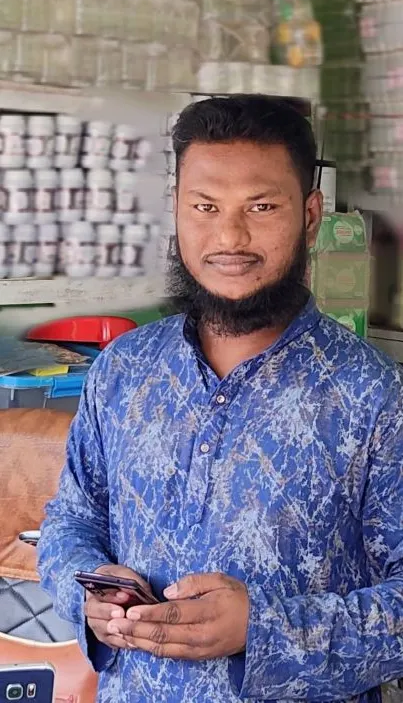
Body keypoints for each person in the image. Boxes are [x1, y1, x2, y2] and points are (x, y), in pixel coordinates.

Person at [38, 95, 403, 703]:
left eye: (261, 206)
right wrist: (93, 591)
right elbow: (72, 518)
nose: (230, 236)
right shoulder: (124, 370)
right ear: (177, 212)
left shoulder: (373, 394)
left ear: (310, 215)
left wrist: (265, 632)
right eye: (205, 207)